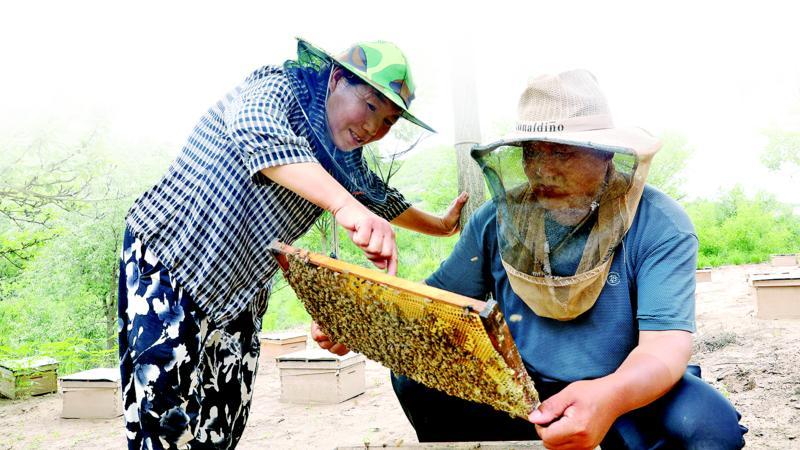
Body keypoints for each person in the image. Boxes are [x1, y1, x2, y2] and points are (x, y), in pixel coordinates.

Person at [315, 69, 748, 449]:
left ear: (605, 154)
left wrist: (608, 397)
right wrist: (360, 321)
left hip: (626, 388)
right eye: (531, 152)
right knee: (417, 376)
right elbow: (433, 307)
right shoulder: (495, 221)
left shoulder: (659, 223)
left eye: (561, 152)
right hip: (525, 392)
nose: (542, 170)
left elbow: (663, 350)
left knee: (708, 429)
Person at [117, 38, 467, 449]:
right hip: (168, 262)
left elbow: (382, 200)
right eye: (371, 106)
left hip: (239, 295)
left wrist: (443, 226)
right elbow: (255, 127)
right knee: (164, 423)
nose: (374, 129)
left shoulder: (344, 161)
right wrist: (345, 206)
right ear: (336, 80)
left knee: (221, 427)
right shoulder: (279, 86)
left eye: (389, 120)